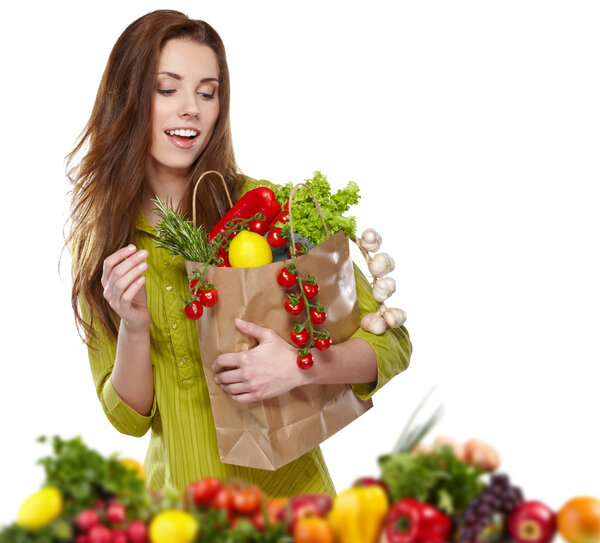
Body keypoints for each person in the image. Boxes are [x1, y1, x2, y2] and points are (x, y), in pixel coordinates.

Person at [67, 9, 412, 498]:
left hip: (295, 513)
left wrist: (301, 365)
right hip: (178, 515)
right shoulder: (107, 242)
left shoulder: (272, 210)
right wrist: (134, 326)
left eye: (207, 93)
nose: (191, 109)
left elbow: (392, 344)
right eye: (167, 89)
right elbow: (128, 417)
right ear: (127, 97)